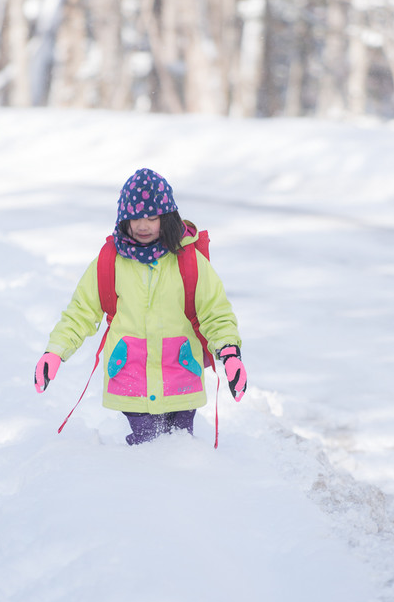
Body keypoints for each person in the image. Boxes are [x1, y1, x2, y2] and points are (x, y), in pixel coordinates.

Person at [34, 168, 247, 445]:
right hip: (129, 374)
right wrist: (55, 351)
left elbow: (215, 312)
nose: (142, 225)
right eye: (134, 217)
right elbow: (81, 311)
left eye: (152, 217)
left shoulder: (189, 261)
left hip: (181, 372)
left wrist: (229, 353)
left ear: (167, 217)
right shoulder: (110, 260)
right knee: (147, 449)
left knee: (180, 448)